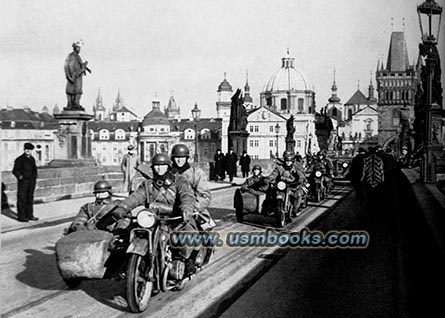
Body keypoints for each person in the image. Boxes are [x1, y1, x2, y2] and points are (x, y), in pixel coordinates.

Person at [112, 153, 197, 273]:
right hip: (152, 218)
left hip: (175, 218)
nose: (159, 168)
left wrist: (186, 208)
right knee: (128, 234)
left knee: (186, 236)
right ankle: (129, 265)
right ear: (152, 167)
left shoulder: (179, 181)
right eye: (156, 165)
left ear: (168, 166)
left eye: (162, 165)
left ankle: (185, 261)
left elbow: (186, 195)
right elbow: (136, 196)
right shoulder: (148, 184)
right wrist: (123, 207)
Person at [170, 144, 216, 231]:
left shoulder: (196, 173)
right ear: (172, 158)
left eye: (182, 157)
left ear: (187, 158)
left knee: (204, 234)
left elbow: (204, 196)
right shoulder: (168, 174)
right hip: (170, 211)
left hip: (192, 210)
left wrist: (192, 208)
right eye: (177, 157)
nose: (179, 160)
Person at [266, 150, 303, 218]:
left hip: (292, 185)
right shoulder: (280, 168)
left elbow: (300, 175)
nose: (288, 163)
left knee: (298, 194)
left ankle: (295, 209)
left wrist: (300, 180)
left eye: (289, 162)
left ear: (292, 162)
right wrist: (268, 179)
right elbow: (274, 174)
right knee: (271, 192)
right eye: (286, 161)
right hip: (281, 185)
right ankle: (271, 207)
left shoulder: (295, 168)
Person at [12, 143, 38, 222]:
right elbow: (15, 170)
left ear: (31, 151)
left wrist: (34, 178)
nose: (28, 151)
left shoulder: (32, 159)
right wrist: (20, 177)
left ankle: (29, 215)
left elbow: (34, 170)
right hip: (23, 182)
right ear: (24, 149)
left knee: (30, 198)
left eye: (29, 150)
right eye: (26, 149)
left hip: (31, 182)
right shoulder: (20, 159)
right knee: (22, 199)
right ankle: (21, 217)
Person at [64, 40, 90, 109]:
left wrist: (85, 66)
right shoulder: (72, 56)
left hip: (78, 76)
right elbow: (69, 66)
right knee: (74, 91)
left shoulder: (77, 56)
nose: (79, 50)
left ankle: (75, 104)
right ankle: (74, 104)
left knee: (77, 91)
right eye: (78, 48)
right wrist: (73, 75)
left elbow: (80, 64)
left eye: (80, 48)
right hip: (75, 77)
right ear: (74, 48)